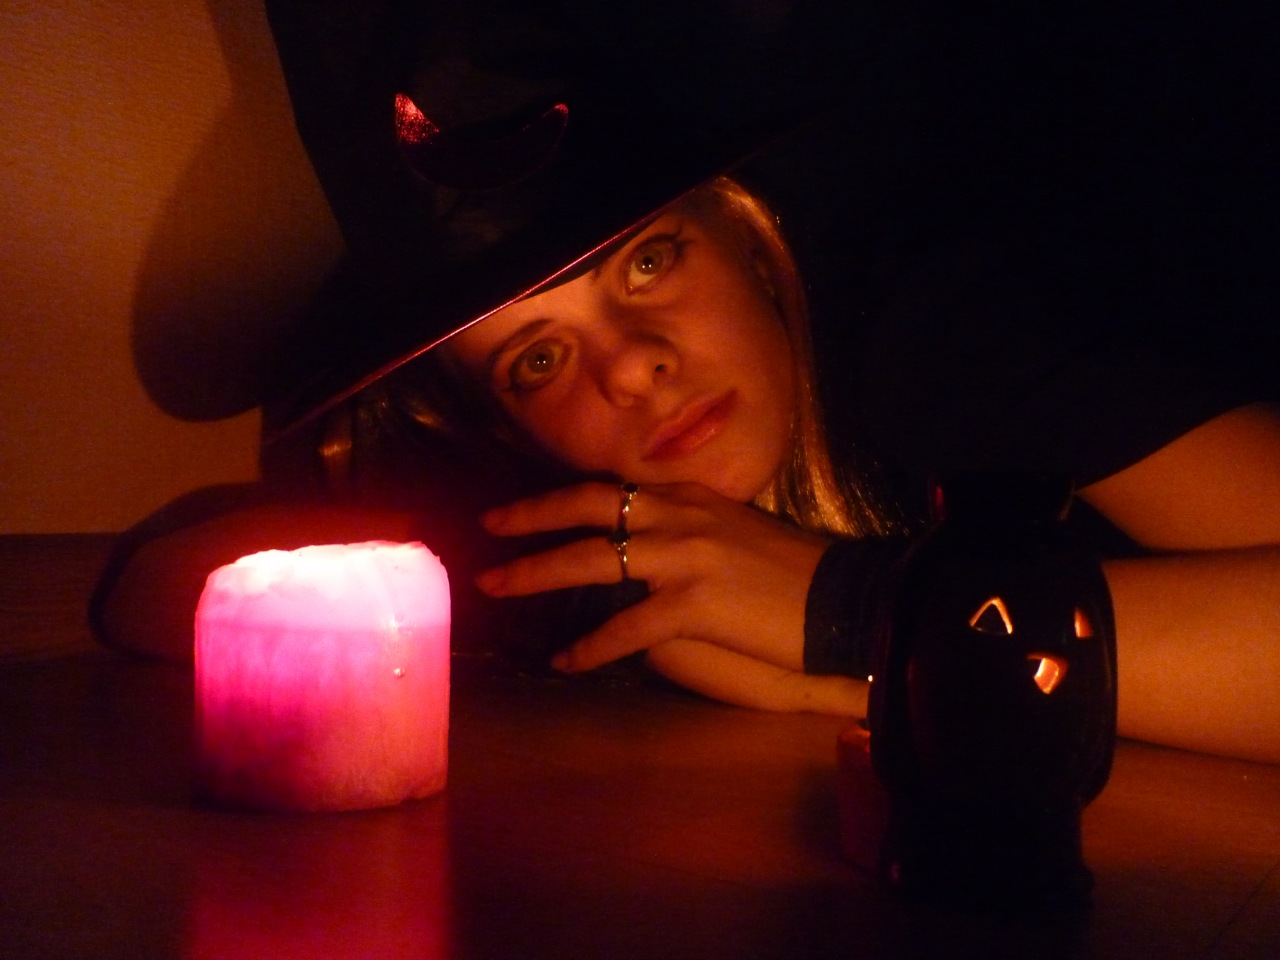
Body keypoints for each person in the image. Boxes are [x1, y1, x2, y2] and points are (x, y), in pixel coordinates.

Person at [93, 1, 1280, 764]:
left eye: (648, 263)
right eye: (537, 360)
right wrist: (565, 594)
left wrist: (849, 621)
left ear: (745, 236)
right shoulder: (581, 513)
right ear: (504, 423)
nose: (631, 364)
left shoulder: (952, 340)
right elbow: (149, 587)